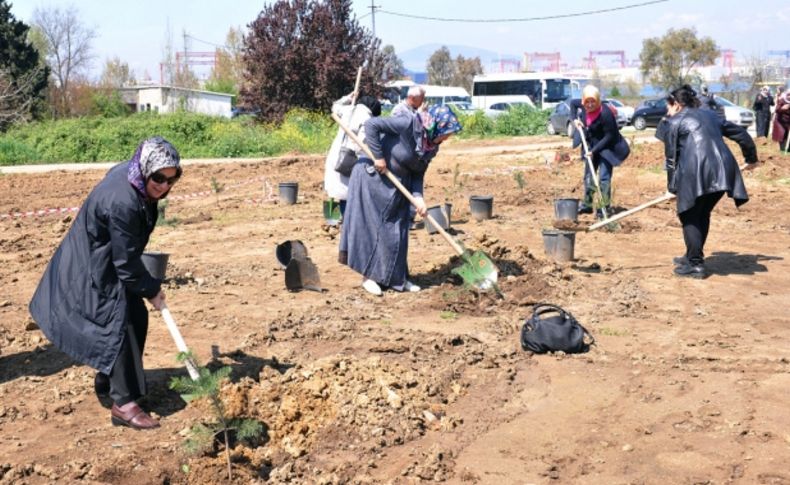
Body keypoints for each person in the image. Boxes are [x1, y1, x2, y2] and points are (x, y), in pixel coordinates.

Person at [29, 137, 182, 430]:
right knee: (119, 323)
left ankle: (108, 379)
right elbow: (125, 263)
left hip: (106, 258)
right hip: (91, 266)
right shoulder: (123, 202)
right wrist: (151, 289)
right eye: (159, 178)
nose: (164, 186)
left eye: (171, 180)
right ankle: (123, 404)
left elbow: (125, 256)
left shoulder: (133, 177)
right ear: (144, 168)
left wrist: (145, 287)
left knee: (135, 317)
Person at [339, 105, 462, 296]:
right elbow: (371, 125)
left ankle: (398, 279)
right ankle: (369, 277)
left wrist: (419, 198)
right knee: (373, 228)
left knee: (399, 229)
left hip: (396, 185)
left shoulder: (430, 146)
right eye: (446, 133)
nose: (446, 138)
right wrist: (378, 157)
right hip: (371, 178)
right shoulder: (407, 123)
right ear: (436, 126)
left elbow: (418, 174)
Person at [655, 85, 758, 279]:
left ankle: (696, 265)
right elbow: (742, 135)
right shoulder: (711, 115)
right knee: (702, 213)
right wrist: (751, 158)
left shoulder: (674, 121)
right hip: (724, 171)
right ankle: (691, 255)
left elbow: (671, 160)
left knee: (689, 215)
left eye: (668, 107)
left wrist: (672, 188)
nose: (667, 111)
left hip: (698, 172)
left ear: (676, 104)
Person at [571, 85, 630, 218]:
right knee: (588, 176)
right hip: (591, 145)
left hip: (607, 147)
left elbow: (609, 136)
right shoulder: (581, 105)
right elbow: (572, 105)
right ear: (583, 101)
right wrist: (575, 119)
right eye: (587, 102)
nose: (590, 105)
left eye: (593, 101)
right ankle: (587, 205)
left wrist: (594, 151)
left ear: (598, 101)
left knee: (604, 178)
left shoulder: (605, 113)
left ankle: (604, 207)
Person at [324, 93, 382, 216]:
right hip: (348, 158)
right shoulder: (367, 120)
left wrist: (347, 98)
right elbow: (361, 145)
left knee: (332, 192)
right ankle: (345, 221)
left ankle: (331, 221)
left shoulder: (348, 109)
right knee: (346, 193)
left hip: (334, 154)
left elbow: (335, 106)